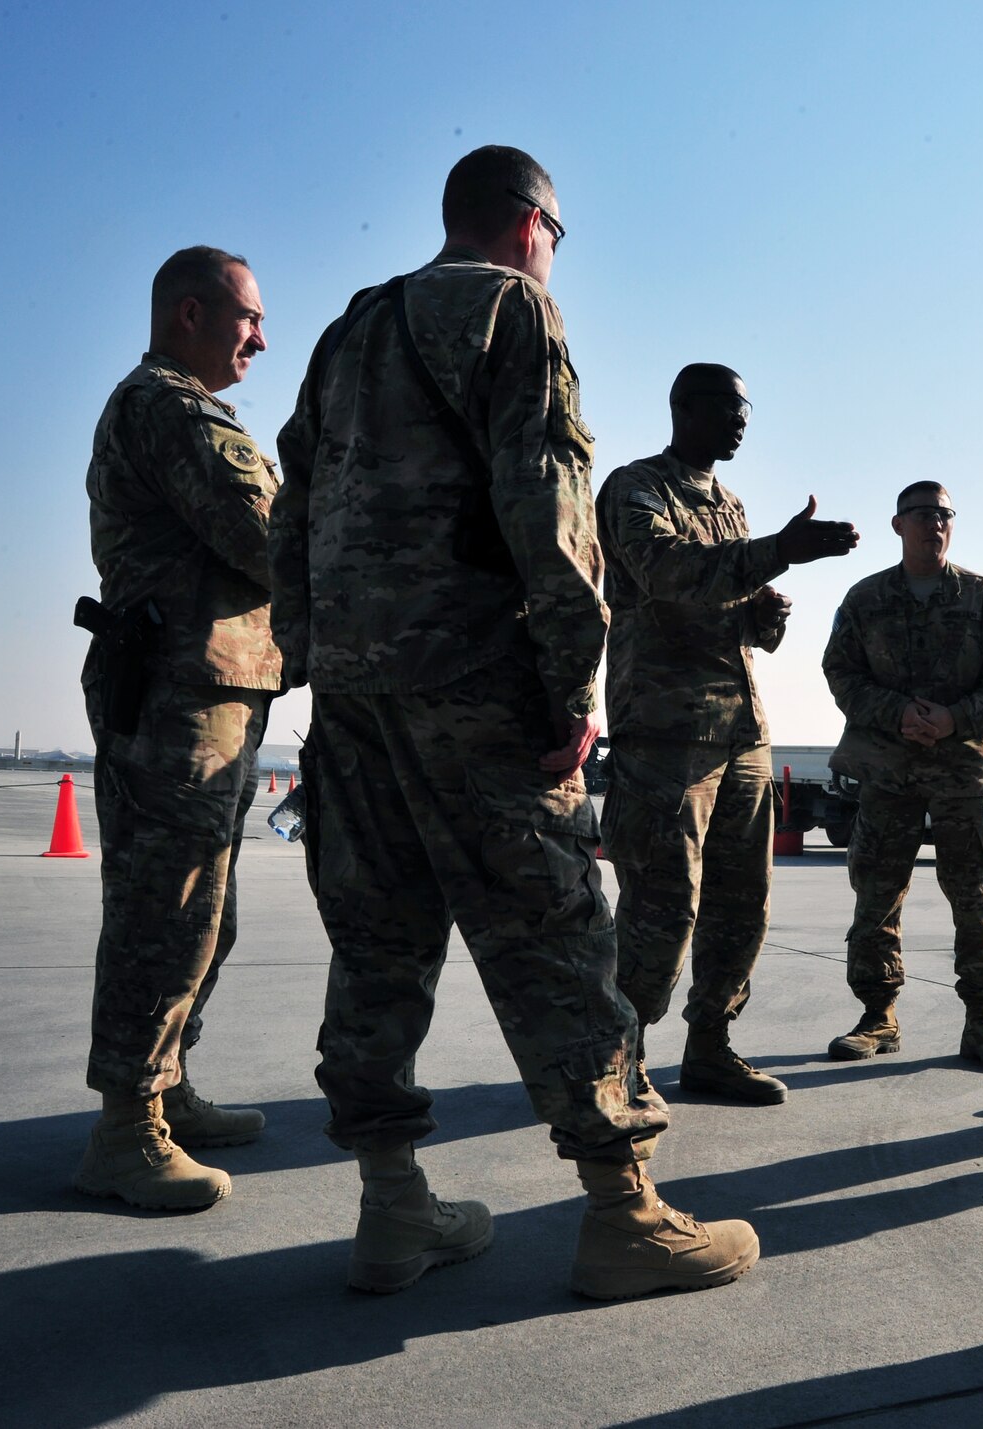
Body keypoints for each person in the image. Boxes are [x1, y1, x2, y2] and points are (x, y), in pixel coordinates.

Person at [272, 146, 757, 1299]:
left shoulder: (351, 329)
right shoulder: (511, 311)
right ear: (532, 224)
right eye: (559, 238)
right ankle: (623, 1212)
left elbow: (292, 507)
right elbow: (546, 505)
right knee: (554, 942)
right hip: (473, 691)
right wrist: (569, 688)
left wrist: (313, 655)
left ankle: (391, 1207)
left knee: (376, 945)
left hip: (353, 695)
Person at [73, 246, 281, 1211]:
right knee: (167, 910)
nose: (260, 336)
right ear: (190, 312)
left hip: (209, 693)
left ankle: (167, 1084)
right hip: (176, 696)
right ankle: (129, 1128)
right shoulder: (167, 405)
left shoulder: (177, 406)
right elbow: (264, 533)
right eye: (248, 317)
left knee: (206, 914)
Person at [596, 364, 858, 1106]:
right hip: (668, 733)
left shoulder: (731, 505)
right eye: (728, 406)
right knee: (662, 905)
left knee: (742, 904)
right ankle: (619, 1056)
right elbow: (668, 574)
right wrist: (778, 550)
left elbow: (723, 600)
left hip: (742, 731)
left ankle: (711, 1043)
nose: (742, 419)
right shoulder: (636, 487)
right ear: (684, 407)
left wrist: (761, 616)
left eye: (748, 408)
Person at [822, 482, 983, 1071]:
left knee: (975, 895)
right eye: (923, 515)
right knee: (877, 894)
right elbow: (840, 673)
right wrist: (896, 713)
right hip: (888, 771)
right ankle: (877, 1016)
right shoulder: (866, 599)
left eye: (944, 515)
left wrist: (953, 719)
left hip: (961, 771)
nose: (935, 524)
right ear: (898, 524)